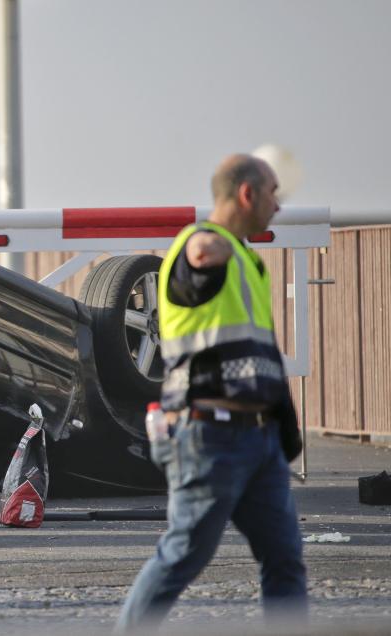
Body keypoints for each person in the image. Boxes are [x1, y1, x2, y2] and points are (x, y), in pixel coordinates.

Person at [115, 154, 308, 631]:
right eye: (272, 193)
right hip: (209, 438)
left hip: (260, 440)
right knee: (184, 552)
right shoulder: (201, 247)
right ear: (247, 194)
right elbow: (196, 257)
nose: (277, 205)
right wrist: (206, 249)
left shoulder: (248, 263)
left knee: (285, 560)